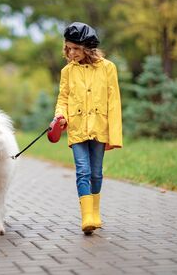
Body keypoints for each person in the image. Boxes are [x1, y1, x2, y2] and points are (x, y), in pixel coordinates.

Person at [54, 21, 123, 234]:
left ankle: (95, 213)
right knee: (82, 171)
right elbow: (63, 97)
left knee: (96, 173)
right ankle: (86, 218)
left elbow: (114, 101)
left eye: (76, 48)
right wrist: (60, 116)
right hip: (76, 126)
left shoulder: (108, 68)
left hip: (99, 126)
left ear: (87, 47)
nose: (71, 52)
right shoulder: (67, 71)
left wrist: (114, 133)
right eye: (69, 48)